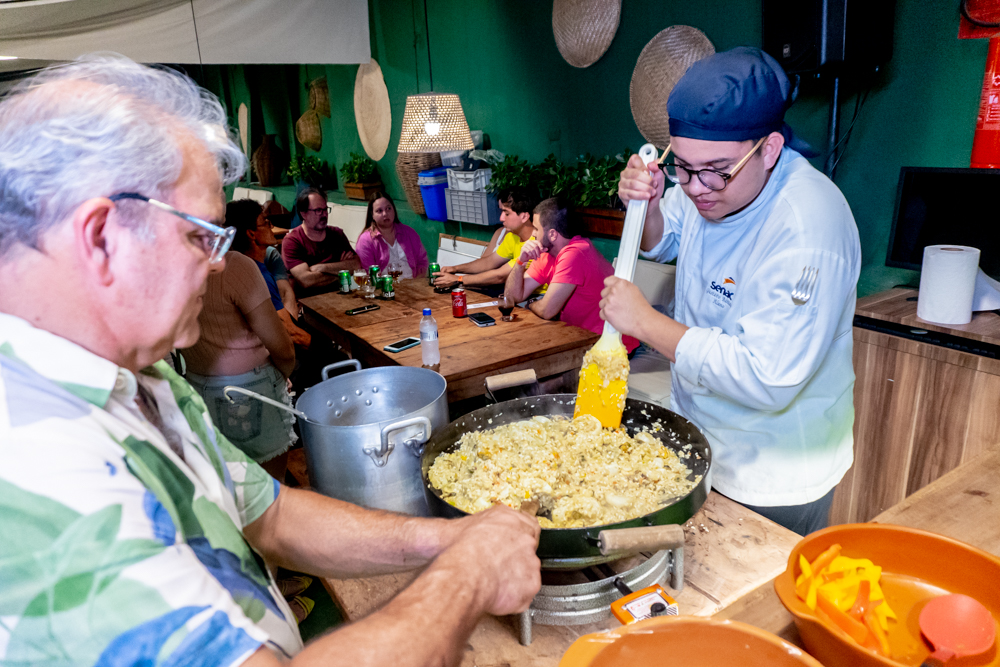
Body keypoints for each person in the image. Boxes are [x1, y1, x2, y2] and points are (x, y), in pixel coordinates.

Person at [0, 54, 541, 667]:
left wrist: (453, 537)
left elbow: (271, 514)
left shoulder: (138, 375)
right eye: (201, 236)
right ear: (101, 237)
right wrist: (466, 577)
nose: (216, 264)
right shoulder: (33, 460)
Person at [606, 47, 861, 535]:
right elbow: (665, 240)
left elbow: (766, 375)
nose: (698, 187)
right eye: (681, 168)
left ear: (768, 149)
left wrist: (644, 322)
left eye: (715, 171)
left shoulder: (808, 226)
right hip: (704, 435)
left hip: (774, 465)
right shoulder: (709, 179)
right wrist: (650, 206)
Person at [505, 197, 639, 353]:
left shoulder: (576, 253)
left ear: (552, 234)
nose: (532, 235)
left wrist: (529, 305)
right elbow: (512, 297)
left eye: (536, 229)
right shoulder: (546, 253)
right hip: (578, 338)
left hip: (612, 346)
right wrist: (520, 263)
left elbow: (547, 311)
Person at [228, 199, 311, 349]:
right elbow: (289, 333)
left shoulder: (246, 267)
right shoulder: (255, 276)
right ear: (251, 234)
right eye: (265, 222)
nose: (271, 226)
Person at [433, 187, 541, 291]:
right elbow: (489, 262)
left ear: (524, 217)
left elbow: (500, 276)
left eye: (507, 213)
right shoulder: (512, 236)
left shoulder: (536, 244)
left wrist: (458, 279)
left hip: (534, 299)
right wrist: (455, 269)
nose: (501, 218)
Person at [281, 187, 359, 295]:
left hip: (341, 296)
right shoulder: (292, 241)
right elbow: (306, 281)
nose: (324, 215)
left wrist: (321, 267)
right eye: (318, 210)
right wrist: (341, 269)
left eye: (325, 209)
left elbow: (357, 265)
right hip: (309, 303)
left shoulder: (337, 234)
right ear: (304, 214)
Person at [354, 191, 429, 279]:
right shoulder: (365, 240)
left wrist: (417, 284)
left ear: (394, 209)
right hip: (385, 289)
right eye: (379, 211)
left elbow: (422, 262)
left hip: (413, 286)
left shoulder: (409, 232)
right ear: (372, 215)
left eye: (388, 208)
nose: (385, 214)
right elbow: (368, 274)